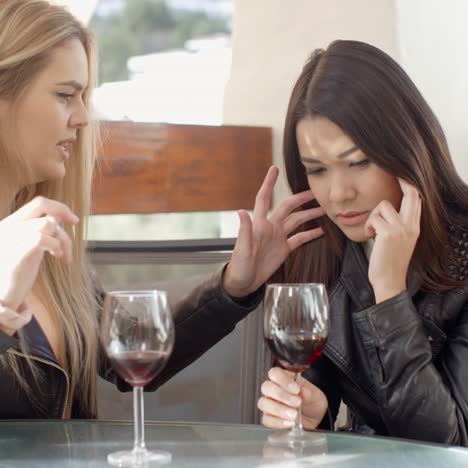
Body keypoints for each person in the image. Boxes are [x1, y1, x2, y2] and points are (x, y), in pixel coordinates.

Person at [0, 0, 324, 419]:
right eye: (65, 95)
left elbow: (132, 356)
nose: (82, 117)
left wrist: (233, 287)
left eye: (84, 96)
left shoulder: (45, 243)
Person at [254, 39, 468, 446]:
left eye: (358, 163)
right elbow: (311, 408)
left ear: (407, 149)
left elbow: (451, 444)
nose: (338, 194)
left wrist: (389, 297)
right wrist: (312, 413)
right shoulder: (316, 246)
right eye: (316, 170)